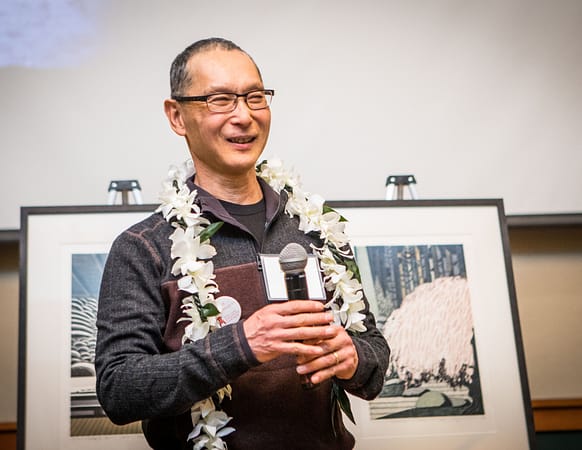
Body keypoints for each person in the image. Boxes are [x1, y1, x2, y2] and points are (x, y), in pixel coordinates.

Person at [95, 37, 389, 450]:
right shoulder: (144, 246)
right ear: (177, 116)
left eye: (255, 97)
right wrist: (242, 345)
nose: (244, 116)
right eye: (220, 100)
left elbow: (375, 357)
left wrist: (353, 358)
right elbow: (119, 389)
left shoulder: (317, 228)